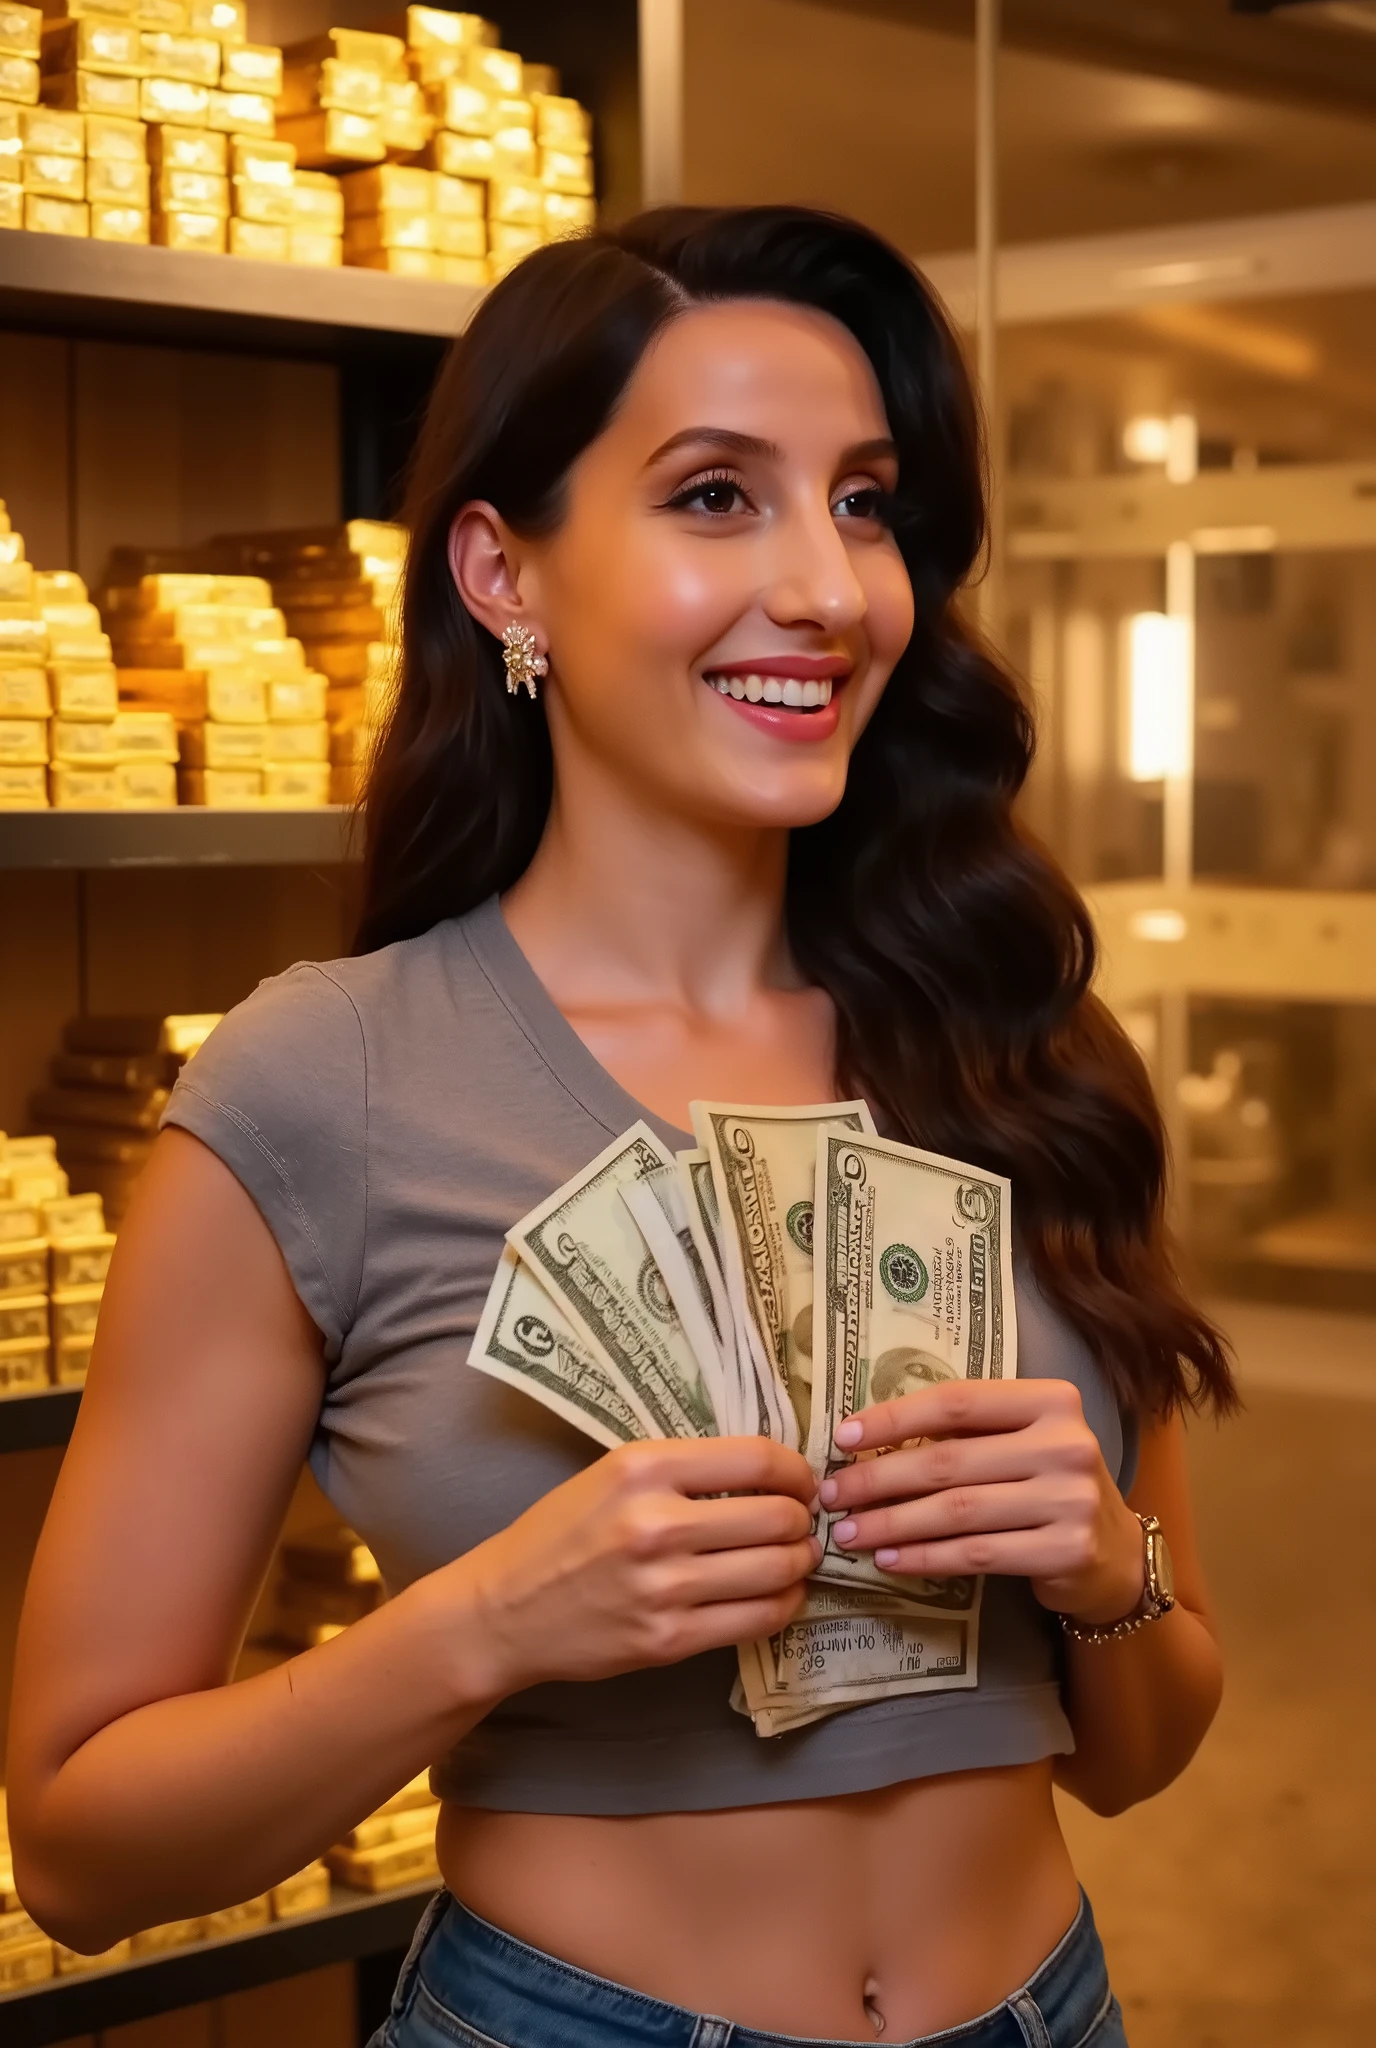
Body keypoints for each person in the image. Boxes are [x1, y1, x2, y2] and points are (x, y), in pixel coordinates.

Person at [7, 207, 1234, 2048]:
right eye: (719, 496)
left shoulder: (1018, 1045)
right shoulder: (319, 1084)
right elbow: (83, 1854)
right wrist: (488, 1624)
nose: (828, 585)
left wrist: (1099, 1568)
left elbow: (1142, 1756)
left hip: (1045, 2014)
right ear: (503, 574)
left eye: (868, 500)